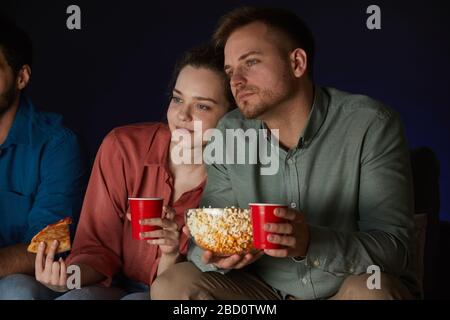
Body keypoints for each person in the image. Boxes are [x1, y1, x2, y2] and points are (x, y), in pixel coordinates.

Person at [151, 6, 419, 300]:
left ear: (297, 62)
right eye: (230, 71)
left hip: (343, 290)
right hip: (261, 296)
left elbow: (395, 249)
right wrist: (220, 253)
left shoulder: (371, 124)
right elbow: (206, 237)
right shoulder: (230, 131)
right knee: (172, 285)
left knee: (373, 291)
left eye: (250, 62)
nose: (236, 81)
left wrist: (310, 242)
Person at [34, 44, 234, 299]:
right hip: (111, 283)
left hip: (167, 290)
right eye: (177, 99)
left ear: (230, 117)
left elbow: (178, 288)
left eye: (202, 106)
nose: (182, 114)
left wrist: (171, 253)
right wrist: (68, 279)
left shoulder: (234, 178)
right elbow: (96, 247)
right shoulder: (123, 147)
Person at [0, 17, 88, 299]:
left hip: (35, 280)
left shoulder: (58, 146)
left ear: (21, 77)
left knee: (17, 290)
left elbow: (47, 245)